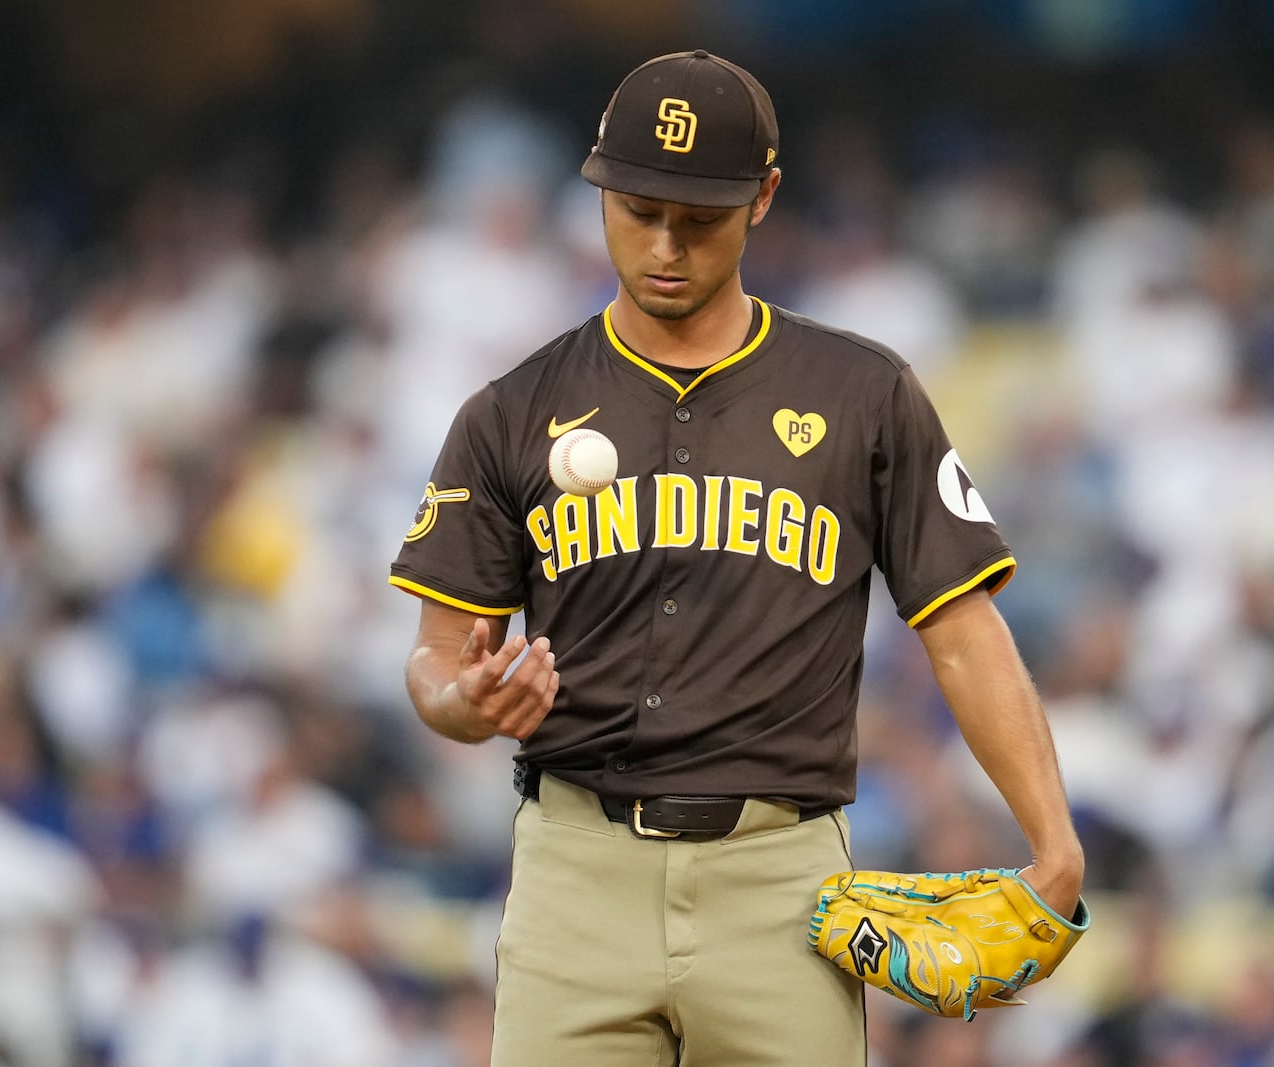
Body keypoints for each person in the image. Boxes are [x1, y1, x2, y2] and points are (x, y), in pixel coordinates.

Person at [389, 49, 1084, 1067]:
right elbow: (437, 654)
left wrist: (1053, 841)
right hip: (575, 869)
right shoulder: (511, 410)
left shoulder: (863, 393)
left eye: (699, 217)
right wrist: (463, 701)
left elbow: (963, 633)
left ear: (762, 199)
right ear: (597, 193)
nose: (664, 243)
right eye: (637, 209)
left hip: (779, 876)